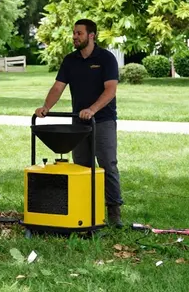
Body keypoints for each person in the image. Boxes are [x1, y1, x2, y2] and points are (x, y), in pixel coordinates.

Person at [35, 18, 123, 227]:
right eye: (74, 33)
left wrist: (92, 109)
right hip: (79, 123)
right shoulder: (70, 60)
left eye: (79, 33)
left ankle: (114, 213)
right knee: (82, 167)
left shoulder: (106, 58)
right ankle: (86, 210)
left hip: (102, 120)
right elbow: (58, 87)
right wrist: (46, 107)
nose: (74, 37)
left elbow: (110, 89)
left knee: (107, 164)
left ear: (91, 35)